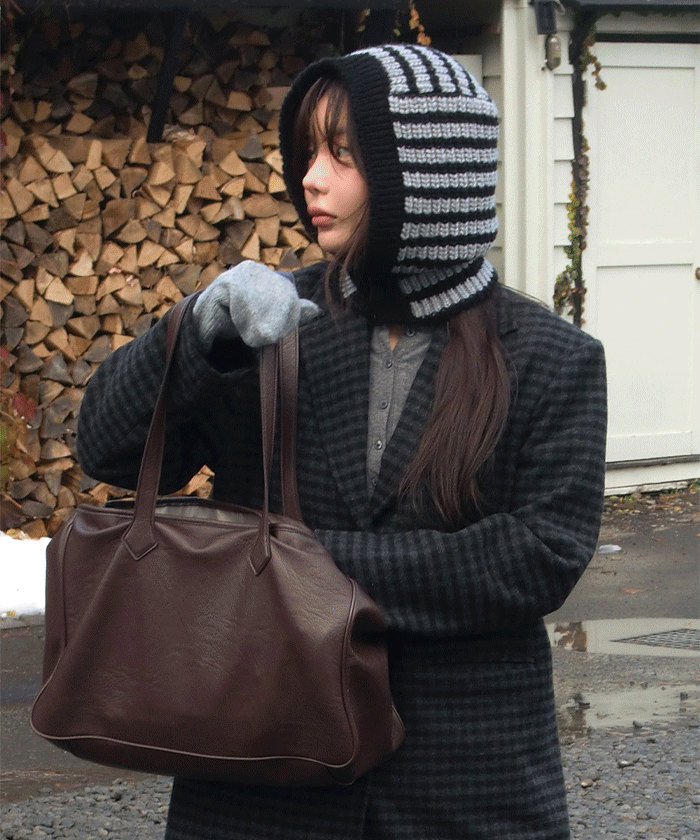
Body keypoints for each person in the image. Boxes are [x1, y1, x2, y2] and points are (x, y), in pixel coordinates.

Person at [77, 44, 607, 840]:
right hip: (261, 783)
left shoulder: (551, 357)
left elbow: (538, 556)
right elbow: (107, 450)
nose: (310, 181)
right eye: (306, 154)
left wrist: (295, 569)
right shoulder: (266, 322)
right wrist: (192, 337)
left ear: (426, 175)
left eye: (343, 155)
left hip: (464, 785)